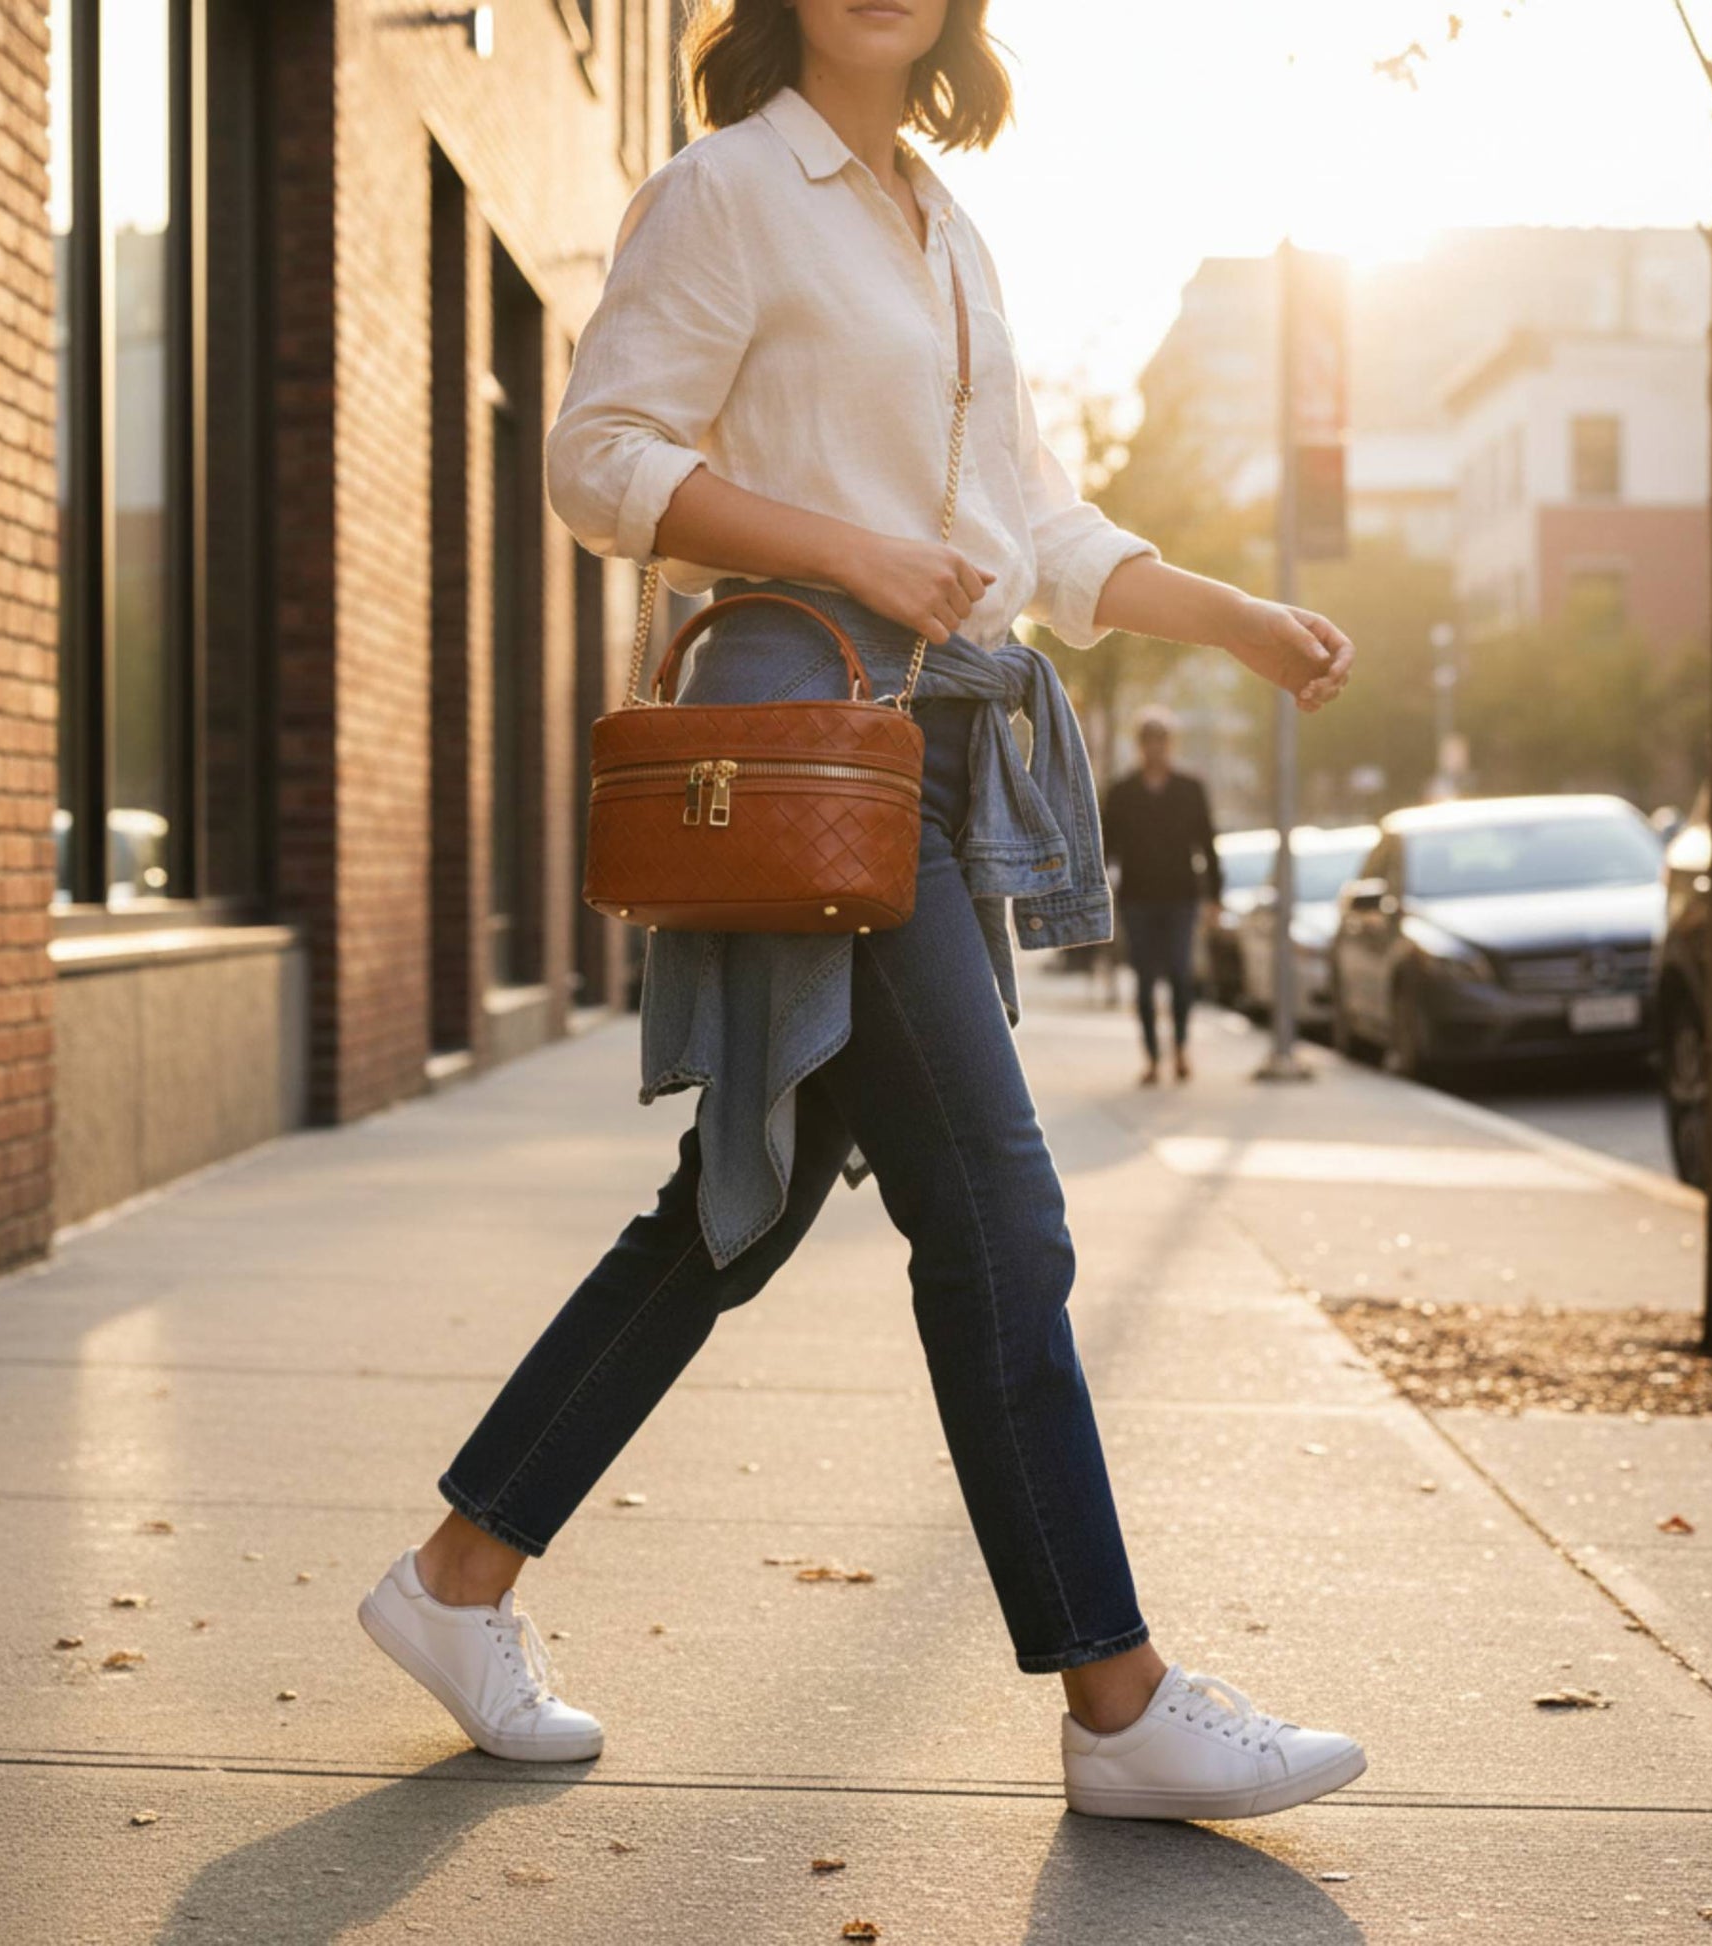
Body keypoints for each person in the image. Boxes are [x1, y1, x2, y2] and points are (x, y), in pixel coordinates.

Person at [358, 0, 1364, 1823]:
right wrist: (845, 549)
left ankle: (454, 1582)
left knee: (739, 1209)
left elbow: (1032, 533)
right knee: (999, 1218)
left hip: (919, 759)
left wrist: (1238, 619)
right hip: (812, 740)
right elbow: (600, 456)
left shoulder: (945, 225)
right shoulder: (728, 189)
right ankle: (1117, 1697)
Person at [1103, 707, 1222, 1085]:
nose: (1155, 748)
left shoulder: (1190, 789)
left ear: (1170, 745)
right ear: (1140, 746)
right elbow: (1106, 848)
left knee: (1180, 974)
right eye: (1148, 741)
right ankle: (1152, 1058)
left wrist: (1214, 896)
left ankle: (1181, 1048)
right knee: (1143, 980)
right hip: (1137, 896)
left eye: (1161, 741)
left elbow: (1207, 843)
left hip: (1181, 896)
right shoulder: (1122, 792)